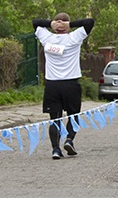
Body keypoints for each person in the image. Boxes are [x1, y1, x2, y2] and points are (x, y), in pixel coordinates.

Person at [33, 13, 94, 159]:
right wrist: (70, 24)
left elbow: (35, 22)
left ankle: (55, 149)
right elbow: (89, 22)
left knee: (55, 118)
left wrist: (50, 23)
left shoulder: (46, 37)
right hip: (71, 84)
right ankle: (69, 140)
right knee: (73, 116)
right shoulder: (74, 37)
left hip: (52, 85)